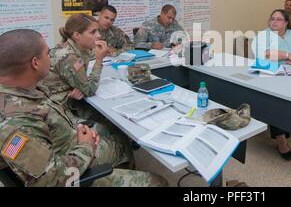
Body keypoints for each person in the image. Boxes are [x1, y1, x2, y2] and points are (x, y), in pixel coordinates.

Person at [0, 29, 167, 187]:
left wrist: (79, 131)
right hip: (68, 169)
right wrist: (85, 146)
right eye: (47, 53)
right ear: (35, 63)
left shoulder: (23, 87)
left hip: (64, 141)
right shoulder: (14, 124)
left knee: (118, 136)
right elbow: (50, 179)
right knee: (157, 181)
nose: (51, 57)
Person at [251, 9, 291, 161]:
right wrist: (288, 55)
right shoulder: (263, 35)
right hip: (274, 73)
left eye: (279, 19)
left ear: (286, 22)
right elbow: (265, 53)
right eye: (272, 18)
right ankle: (281, 140)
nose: (274, 21)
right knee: (277, 99)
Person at [37, 13, 108, 122]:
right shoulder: (69, 56)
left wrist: (80, 86)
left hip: (65, 99)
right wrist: (99, 61)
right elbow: (89, 90)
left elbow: (82, 82)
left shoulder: (77, 47)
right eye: (93, 32)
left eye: (98, 31)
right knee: (105, 121)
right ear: (77, 35)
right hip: (56, 108)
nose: (98, 35)